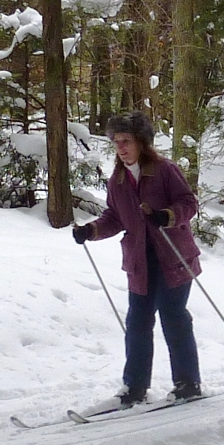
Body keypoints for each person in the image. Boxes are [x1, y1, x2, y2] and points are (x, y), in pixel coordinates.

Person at [72, 112, 202, 406]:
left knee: (173, 317)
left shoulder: (164, 170)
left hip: (173, 256)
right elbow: (115, 217)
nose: (120, 147)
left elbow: (188, 203)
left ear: (141, 142)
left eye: (126, 140)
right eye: (116, 141)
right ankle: (134, 388)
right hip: (139, 262)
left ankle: (187, 383)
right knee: (138, 322)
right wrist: (90, 231)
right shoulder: (117, 180)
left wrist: (166, 216)